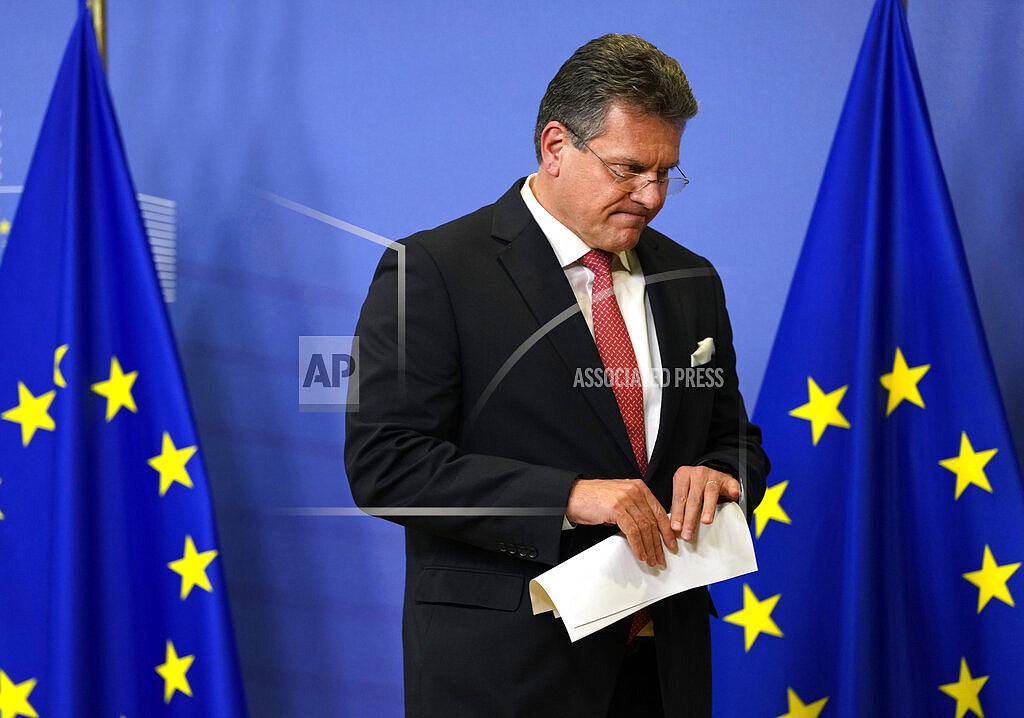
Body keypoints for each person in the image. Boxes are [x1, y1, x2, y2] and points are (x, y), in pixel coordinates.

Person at [345, 33, 769, 718]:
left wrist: (722, 474)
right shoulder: (432, 271)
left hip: (664, 672)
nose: (652, 196)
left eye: (667, 173)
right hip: (508, 674)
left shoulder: (692, 278)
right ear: (555, 147)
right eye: (630, 169)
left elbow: (736, 440)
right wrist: (568, 496)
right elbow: (386, 464)